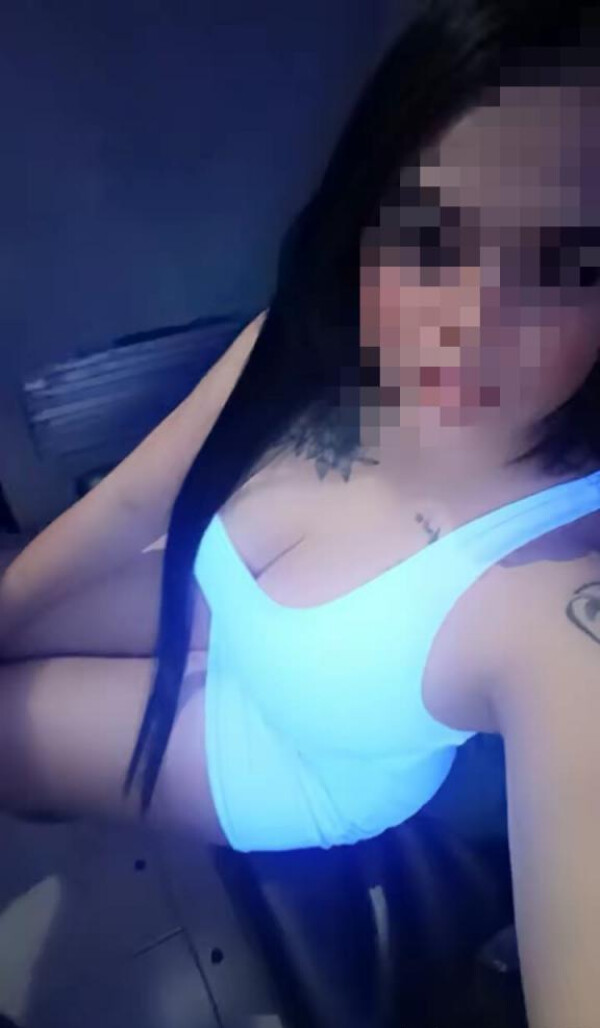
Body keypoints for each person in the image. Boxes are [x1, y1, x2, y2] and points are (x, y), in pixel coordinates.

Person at [1, 1, 600, 1023]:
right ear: (366, 219)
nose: (472, 326)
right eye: (432, 236)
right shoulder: (318, 336)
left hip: (290, 753)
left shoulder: (560, 594)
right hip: (210, 595)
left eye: (567, 266)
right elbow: (142, 495)